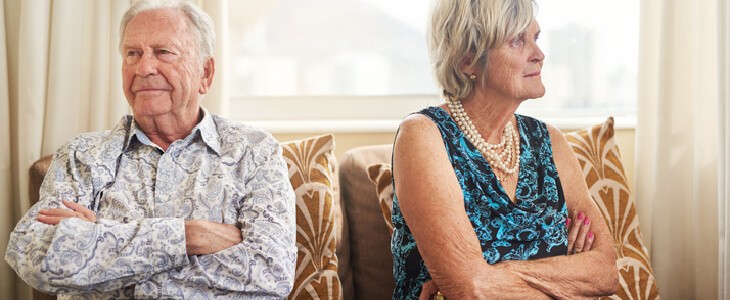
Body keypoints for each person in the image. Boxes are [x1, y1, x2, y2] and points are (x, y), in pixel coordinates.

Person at [5, 0, 296, 299]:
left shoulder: (255, 152)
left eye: (163, 52)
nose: (143, 68)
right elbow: (33, 255)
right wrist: (189, 237)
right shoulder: (80, 156)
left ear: (205, 73)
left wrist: (103, 241)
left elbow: (271, 273)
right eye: (133, 53)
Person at [390, 0, 619, 299]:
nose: (539, 55)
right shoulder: (423, 135)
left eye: (535, 39)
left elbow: (606, 272)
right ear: (467, 60)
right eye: (517, 41)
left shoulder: (550, 141)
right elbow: (472, 289)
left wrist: (502, 274)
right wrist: (569, 278)